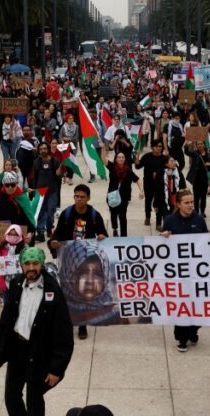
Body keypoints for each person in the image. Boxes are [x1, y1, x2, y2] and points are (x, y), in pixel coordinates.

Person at [0, 246, 75, 416]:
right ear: (22, 265)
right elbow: (7, 317)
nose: (31, 268)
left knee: (34, 399)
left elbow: (63, 332)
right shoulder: (16, 283)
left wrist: (56, 368)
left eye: (35, 263)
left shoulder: (53, 290)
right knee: (11, 397)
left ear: (42, 265)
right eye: (27, 263)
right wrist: (1, 344)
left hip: (39, 352)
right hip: (17, 349)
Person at [162, 190, 210, 352]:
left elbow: (204, 242)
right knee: (182, 304)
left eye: (192, 202)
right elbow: (163, 247)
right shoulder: (170, 220)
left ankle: (193, 330)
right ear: (178, 204)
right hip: (178, 272)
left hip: (197, 272)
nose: (190, 205)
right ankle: (181, 338)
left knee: (197, 305)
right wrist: (163, 237)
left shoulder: (199, 220)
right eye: (186, 203)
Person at [50, 184, 108, 339]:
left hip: (86, 261)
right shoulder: (67, 214)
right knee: (67, 292)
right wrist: (54, 242)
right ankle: (67, 323)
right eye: (77, 196)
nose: (79, 199)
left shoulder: (94, 216)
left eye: (82, 197)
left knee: (81, 294)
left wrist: (102, 236)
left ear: (88, 198)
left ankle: (82, 325)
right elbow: (58, 233)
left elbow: (103, 235)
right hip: (69, 259)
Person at [105, 151, 143, 237]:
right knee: (113, 214)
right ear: (116, 159)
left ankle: (124, 236)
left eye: (123, 157)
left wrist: (141, 190)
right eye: (119, 157)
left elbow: (138, 180)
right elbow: (103, 159)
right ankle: (115, 228)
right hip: (112, 197)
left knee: (123, 216)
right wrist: (104, 148)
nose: (121, 159)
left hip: (124, 198)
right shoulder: (112, 167)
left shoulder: (128, 170)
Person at [30, 142, 62, 242]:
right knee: (40, 212)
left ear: (48, 149)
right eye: (41, 149)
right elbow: (34, 177)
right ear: (39, 151)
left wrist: (61, 167)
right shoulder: (36, 162)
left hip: (52, 191)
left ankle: (49, 228)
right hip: (40, 192)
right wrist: (34, 191)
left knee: (50, 211)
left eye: (45, 148)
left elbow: (58, 176)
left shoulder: (55, 161)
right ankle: (40, 232)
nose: (43, 150)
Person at [135, 140, 168, 229]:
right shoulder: (146, 157)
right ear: (152, 147)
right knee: (148, 201)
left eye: (160, 146)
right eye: (157, 146)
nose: (159, 148)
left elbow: (169, 168)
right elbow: (138, 166)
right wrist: (137, 157)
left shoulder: (164, 158)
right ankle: (147, 217)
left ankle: (158, 223)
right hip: (148, 183)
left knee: (159, 203)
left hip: (160, 185)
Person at [0, 224, 28, 306]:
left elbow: (28, 262)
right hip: (6, 281)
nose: (12, 236)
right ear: (7, 233)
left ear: (20, 235)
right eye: (10, 234)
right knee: (8, 304)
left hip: (20, 281)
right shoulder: (2, 246)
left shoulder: (25, 247)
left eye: (15, 234)